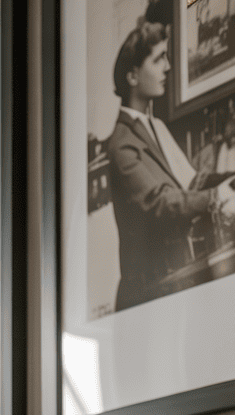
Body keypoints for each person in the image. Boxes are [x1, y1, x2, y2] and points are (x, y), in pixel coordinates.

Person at [107, 21, 235, 311]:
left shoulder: (156, 127)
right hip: (146, 296)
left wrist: (230, 178)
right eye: (158, 59)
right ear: (132, 76)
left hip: (171, 283)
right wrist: (216, 198)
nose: (167, 67)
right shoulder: (121, 143)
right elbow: (159, 203)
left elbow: (191, 181)